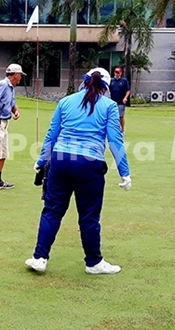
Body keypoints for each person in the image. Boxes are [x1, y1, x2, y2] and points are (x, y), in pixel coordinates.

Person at [26, 68, 131, 275]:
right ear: (106, 87)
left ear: (84, 82)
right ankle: (93, 262)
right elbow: (115, 140)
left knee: (52, 210)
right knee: (89, 216)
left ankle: (39, 257)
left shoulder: (65, 102)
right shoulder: (109, 106)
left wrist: (41, 161)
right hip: (89, 164)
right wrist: (124, 172)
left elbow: (52, 134)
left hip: (61, 160)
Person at [109, 67, 131, 133]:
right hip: (112, 102)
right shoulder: (111, 81)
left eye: (118, 73)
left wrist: (125, 98)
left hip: (121, 102)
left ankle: (122, 129)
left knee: (120, 116)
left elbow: (128, 90)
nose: (116, 74)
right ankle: (113, 129)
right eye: (115, 72)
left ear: (121, 73)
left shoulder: (124, 81)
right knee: (111, 116)